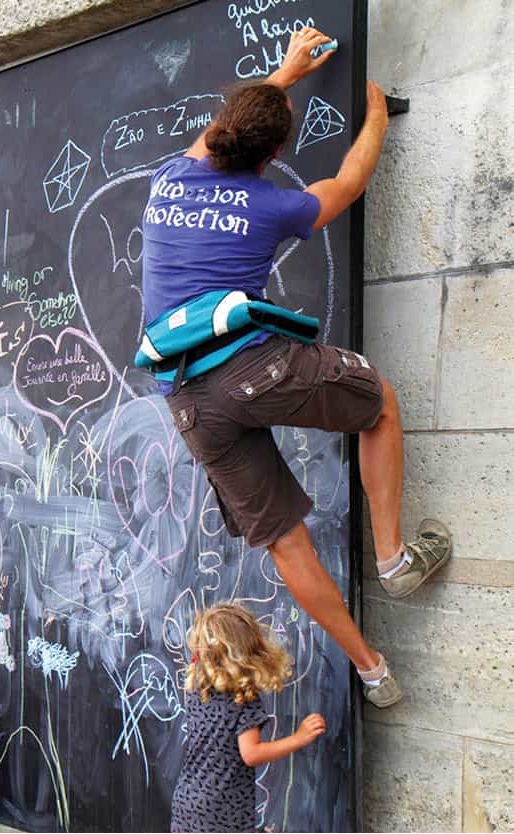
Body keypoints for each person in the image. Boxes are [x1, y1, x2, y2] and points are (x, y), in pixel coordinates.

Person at [139, 26, 451, 708]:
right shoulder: (272, 204)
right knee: (377, 404)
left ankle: (372, 671)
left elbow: (225, 126)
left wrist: (281, 73)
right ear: (276, 153)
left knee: (284, 544)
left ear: (220, 136)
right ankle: (394, 558)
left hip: (187, 399)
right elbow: (347, 181)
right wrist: (373, 119)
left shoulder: (169, 178)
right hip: (254, 368)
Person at [170, 604, 324, 832]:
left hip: (187, 799)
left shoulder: (196, 687)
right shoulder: (244, 699)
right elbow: (251, 754)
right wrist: (299, 738)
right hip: (223, 807)